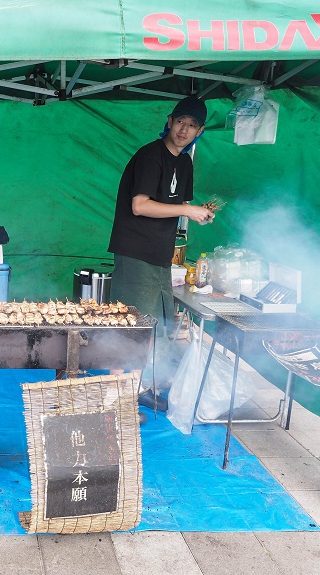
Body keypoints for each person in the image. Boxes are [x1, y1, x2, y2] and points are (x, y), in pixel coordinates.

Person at [107, 96, 215, 407]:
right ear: (169, 121)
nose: (184, 129)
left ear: (200, 131)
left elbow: (177, 208)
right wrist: (187, 209)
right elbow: (139, 206)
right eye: (180, 121)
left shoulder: (185, 162)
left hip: (160, 255)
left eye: (192, 125)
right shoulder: (150, 156)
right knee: (132, 325)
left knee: (156, 325)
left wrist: (199, 214)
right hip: (135, 250)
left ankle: (137, 389)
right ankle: (116, 396)